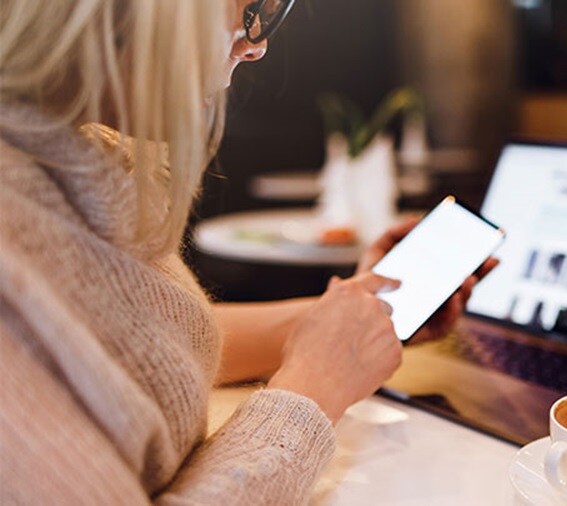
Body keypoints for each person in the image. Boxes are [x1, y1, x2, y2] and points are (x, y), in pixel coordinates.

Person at [0, 1, 496, 504]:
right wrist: (312, 392)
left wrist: (343, 323)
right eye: (252, 8)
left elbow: (120, 348)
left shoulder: (65, 155)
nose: (256, 45)